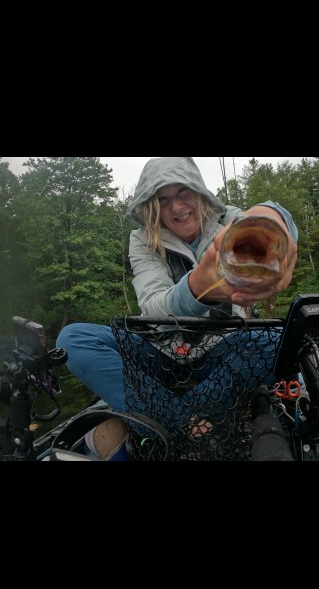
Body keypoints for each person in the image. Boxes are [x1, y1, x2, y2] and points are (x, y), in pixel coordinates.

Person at [56, 157, 298, 458]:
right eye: (163, 199)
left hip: (222, 352)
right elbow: (153, 307)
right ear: (152, 206)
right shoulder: (142, 240)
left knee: (280, 341)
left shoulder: (228, 221)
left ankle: (165, 417)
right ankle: (188, 423)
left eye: (183, 192)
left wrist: (275, 217)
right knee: (74, 339)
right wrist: (197, 288)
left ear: (199, 192)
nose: (176, 206)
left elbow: (266, 218)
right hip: (161, 353)